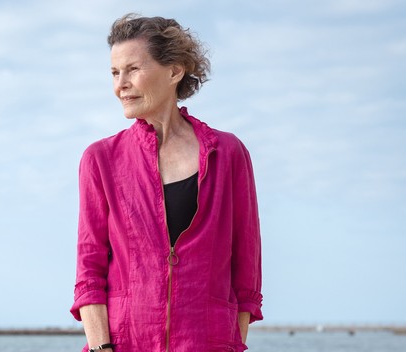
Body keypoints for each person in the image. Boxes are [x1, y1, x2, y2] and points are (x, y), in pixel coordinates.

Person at [70, 14, 263, 352]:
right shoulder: (100, 160)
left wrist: (227, 341)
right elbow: (89, 272)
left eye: (133, 69)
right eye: (115, 73)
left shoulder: (229, 154)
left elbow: (246, 274)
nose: (120, 85)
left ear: (174, 71)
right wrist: (102, 349)